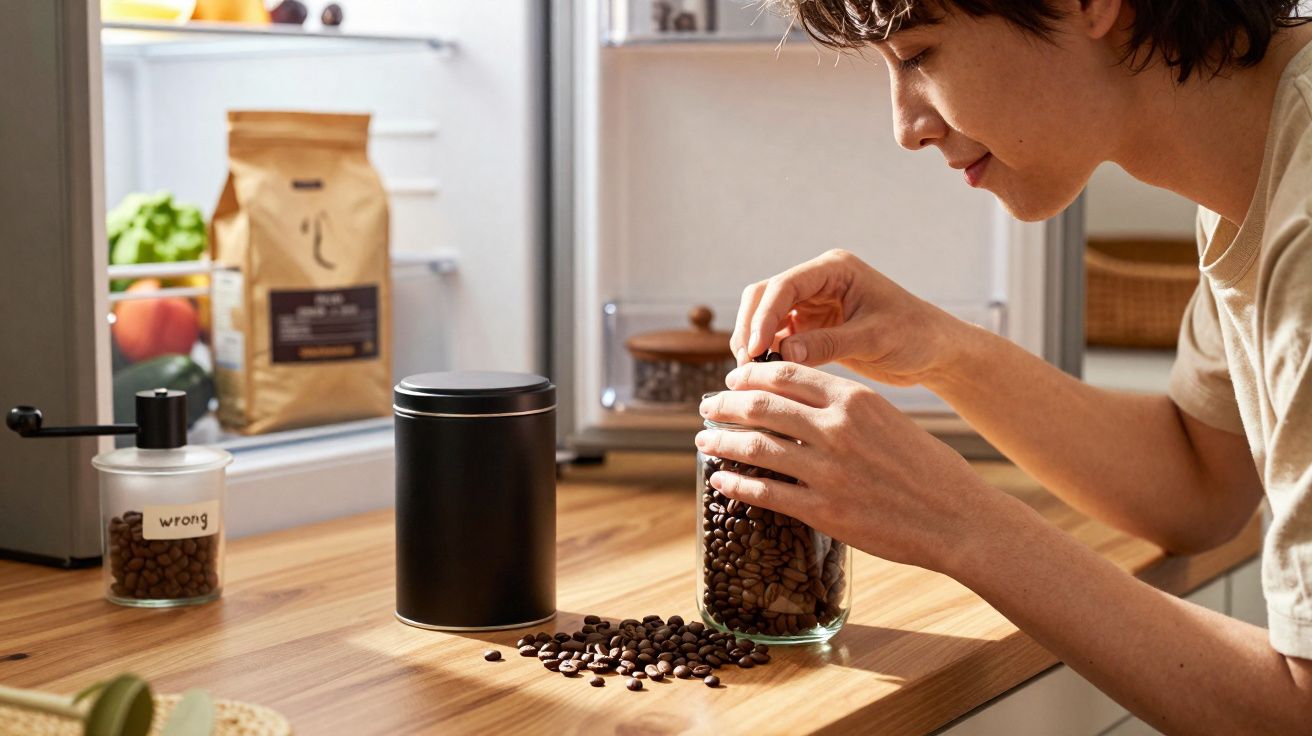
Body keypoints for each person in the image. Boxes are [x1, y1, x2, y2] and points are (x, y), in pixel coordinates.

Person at [695, 0, 1312, 731]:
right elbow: (1201, 484)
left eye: (920, 55)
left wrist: (955, 523)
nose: (906, 128)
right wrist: (942, 351)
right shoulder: (1252, 167)